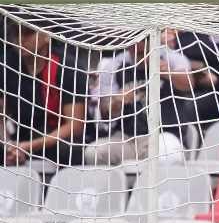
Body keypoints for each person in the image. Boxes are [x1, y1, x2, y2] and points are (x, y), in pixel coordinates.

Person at [85, 30, 194, 165]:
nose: (138, 48)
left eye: (143, 43)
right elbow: (105, 114)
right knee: (94, 153)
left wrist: (165, 72)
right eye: (134, 44)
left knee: (166, 154)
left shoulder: (171, 58)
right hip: (127, 138)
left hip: (163, 135)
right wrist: (117, 102)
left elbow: (188, 84)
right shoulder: (115, 65)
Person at [1, 21, 87, 167]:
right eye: (16, 33)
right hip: (22, 138)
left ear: (46, 35)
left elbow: (75, 125)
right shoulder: (7, 65)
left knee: (69, 150)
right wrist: (8, 146)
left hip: (59, 138)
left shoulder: (67, 66)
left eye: (28, 33)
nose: (21, 39)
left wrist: (29, 146)